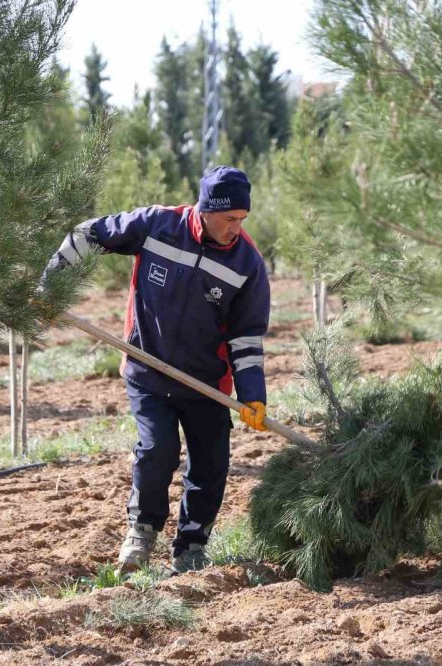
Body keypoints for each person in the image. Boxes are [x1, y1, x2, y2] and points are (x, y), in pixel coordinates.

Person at [40, 166, 270, 574]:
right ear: (205, 209)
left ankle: (192, 545)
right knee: (156, 450)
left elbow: (246, 338)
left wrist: (253, 394)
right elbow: (88, 233)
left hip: (206, 383)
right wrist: (50, 284)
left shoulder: (246, 264)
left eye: (242, 220)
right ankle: (142, 531)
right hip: (147, 370)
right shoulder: (157, 225)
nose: (236, 228)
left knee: (210, 464)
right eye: (229, 218)